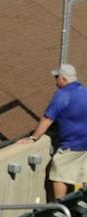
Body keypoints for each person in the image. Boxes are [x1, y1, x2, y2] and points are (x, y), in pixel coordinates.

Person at [21, 64, 87, 198]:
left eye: (57, 77)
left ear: (64, 79)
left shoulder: (63, 95)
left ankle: (60, 205)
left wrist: (33, 138)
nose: (55, 80)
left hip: (73, 144)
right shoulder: (84, 91)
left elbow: (47, 118)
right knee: (83, 174)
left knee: (59, 174)